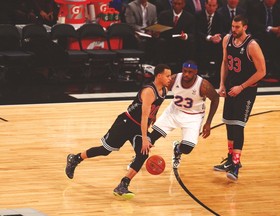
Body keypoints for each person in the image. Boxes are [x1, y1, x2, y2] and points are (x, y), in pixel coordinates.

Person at [65, 64, 172, 199]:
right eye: (167, 76)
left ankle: (123, 184)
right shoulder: (149, 91)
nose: (170, 78)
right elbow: (144, 115)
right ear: (159, 76)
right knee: (105, 150)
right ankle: (75, 158)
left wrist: (154, 116)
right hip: (126, 123)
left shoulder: (164, 91)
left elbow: (151, 110)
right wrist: (145, 138)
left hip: (138, 127)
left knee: (143, 154)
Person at [127, 60, 219, 169]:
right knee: (152, 137)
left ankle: (177, 149)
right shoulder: (174, 79)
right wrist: (154, 113)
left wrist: (208, 122)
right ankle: (138, 158)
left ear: (196, 72)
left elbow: (215, 99)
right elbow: (159, 93)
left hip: (194, 116)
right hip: (174, 111)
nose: (186, 74)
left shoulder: (203, 85)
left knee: (187, 148)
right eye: (184, 71)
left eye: (190, 72)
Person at [213, 15, 266, 181]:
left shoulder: (252, 45)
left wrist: (241, 87)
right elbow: (224, 62)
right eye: (232, 26)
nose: (233, 30)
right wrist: (222, 84)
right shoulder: (227, 39)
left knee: (238, 126)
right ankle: (230, 159)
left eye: (237, 27)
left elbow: (262, 72)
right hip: (230, 88)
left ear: (245, 27)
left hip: (246, 90)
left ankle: (236, 164)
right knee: (229, 123)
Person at [195, 0, 225, 80]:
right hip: (202, 40)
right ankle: (202, 70)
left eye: (213, 6)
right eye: (209, 5)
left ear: (217, 6)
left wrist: (219, 37)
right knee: (201, 45)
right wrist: (209, 38)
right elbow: (197, 31)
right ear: (205, 5)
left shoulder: (220, 17)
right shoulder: (198, 15)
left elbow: (223, 31)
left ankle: (215, 73)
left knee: (219, 47)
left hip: (216, 42)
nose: (211, 8)